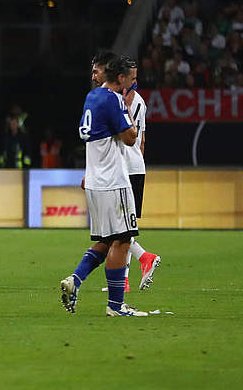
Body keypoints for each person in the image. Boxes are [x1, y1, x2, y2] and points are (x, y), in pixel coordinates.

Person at [59, 55, 146, 317]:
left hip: (95, 180)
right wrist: (127, 114)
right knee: (123, 239)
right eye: (130, 80)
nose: (133, 85)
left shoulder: (92, 97)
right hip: (113, 181)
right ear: (120, 78)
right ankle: (116, 306)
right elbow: (131, 138)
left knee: (108, 240)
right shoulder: (113, 99)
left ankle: (75, 279)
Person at [120, 65, 161, 291]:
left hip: (122, 169)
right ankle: (125, 278)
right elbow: (142, 141)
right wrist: (137, 160)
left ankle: (142, 260)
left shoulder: (117, 101)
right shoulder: (142, 102)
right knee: (123, 228)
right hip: (136, 167)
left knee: (120, 229)